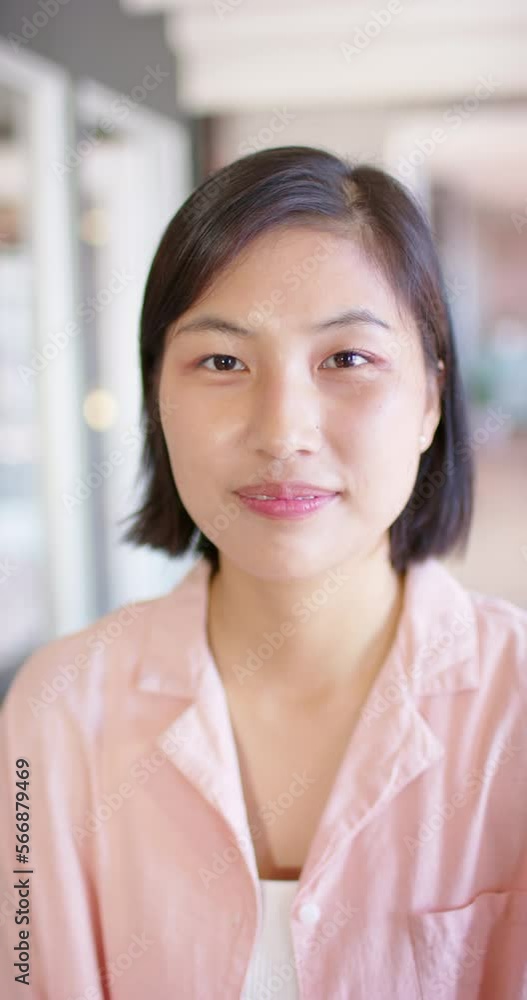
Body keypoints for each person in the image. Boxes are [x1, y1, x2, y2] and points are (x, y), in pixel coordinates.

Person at [1, 145, 526, 1000]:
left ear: (430, 399)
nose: (282, 431)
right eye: (221, 362)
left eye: (346, 360)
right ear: (156, 400)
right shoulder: (58, 711)